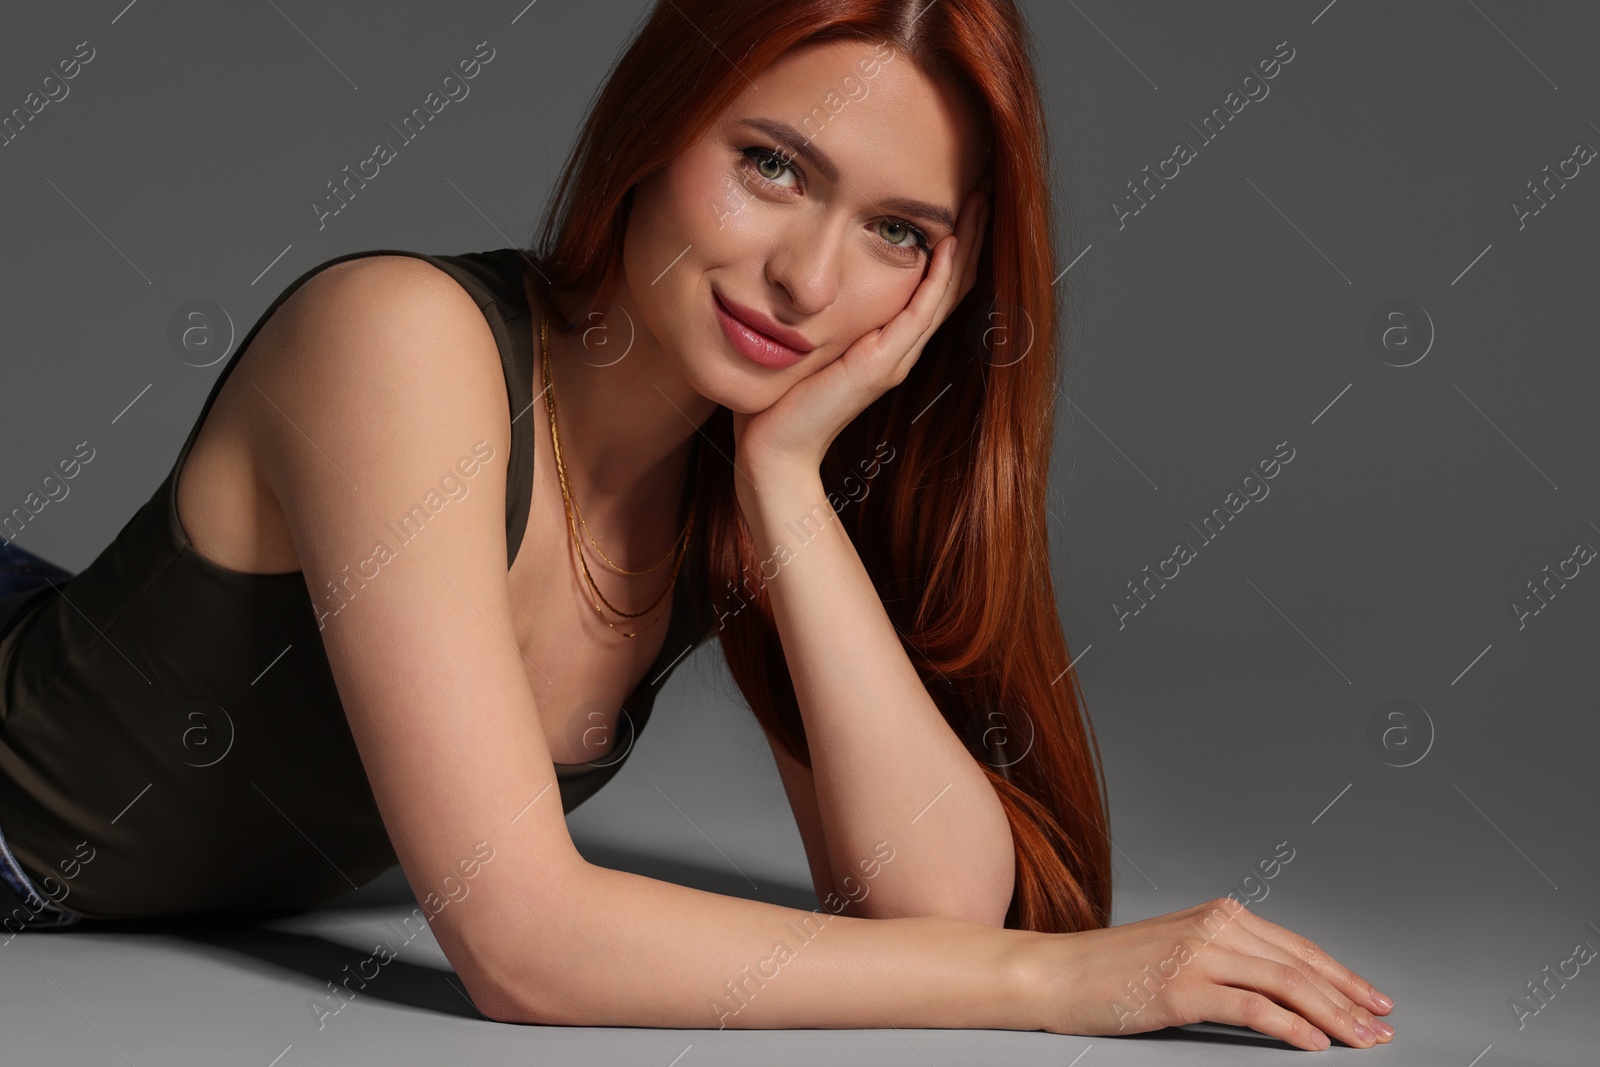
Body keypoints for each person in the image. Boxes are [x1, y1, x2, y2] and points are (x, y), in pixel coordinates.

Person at [0, 0, 1397, 1048]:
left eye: (896, 232)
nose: (804, 276)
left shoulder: (732, 481)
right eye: (775, 164)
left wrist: (787, 490)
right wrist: (1054, 982)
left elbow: (935, 907)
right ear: (657, 127)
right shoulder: (399, 342)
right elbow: (524, 943)